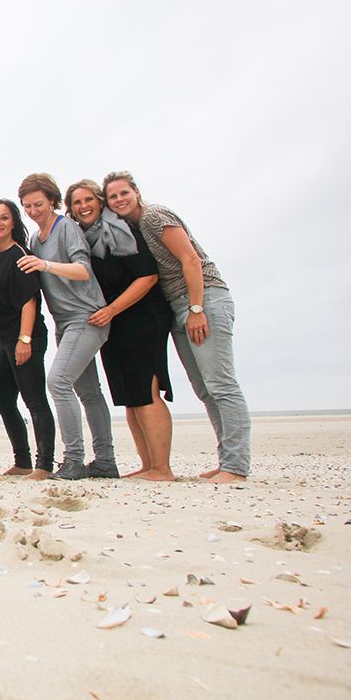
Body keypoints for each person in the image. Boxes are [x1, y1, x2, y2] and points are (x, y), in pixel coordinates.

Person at [102, 170, 250, 483]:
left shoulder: (155, 216)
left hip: (204, 299)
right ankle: (227, 462)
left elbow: (190, 260)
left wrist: (197, 308)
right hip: (178, 306)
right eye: (112, 196)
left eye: (123, 193)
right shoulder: (132, 227)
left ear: (136, 192)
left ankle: (236, 467)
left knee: (221, 385)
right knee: (205, 389)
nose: (118, 200)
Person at [65, 179, 175, 481]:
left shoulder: (121, 231)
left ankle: (162, 468)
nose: (83, 206)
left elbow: (147, 277)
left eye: (89, 199)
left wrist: (112, 310)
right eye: (77, 202)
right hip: (112, 322)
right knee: (128, 395)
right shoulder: (85, 238)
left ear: (100, 202)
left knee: (146, 390)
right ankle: (148, 465)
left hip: (141, 315)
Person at [16, 173, 118, 481]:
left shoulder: (67, 228)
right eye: (27, 206)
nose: (33, 210)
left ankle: (73, 459)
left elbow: (83, 270)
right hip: (64, 324)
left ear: (51, 201)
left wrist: (45, 265)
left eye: (38, 204)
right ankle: (106, 461)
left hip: (87, 318)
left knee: (58, 382)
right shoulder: (34, 239)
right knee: (88, 391)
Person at [0, 198, 56, 479]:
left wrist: (25, 340)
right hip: (5, 339)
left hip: (26, 336)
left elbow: (29, 302)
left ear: (13, 222)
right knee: (3, 399)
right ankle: (22, 461)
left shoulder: (20, 254)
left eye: (4, 218)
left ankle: (44, 464)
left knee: (34, 400)